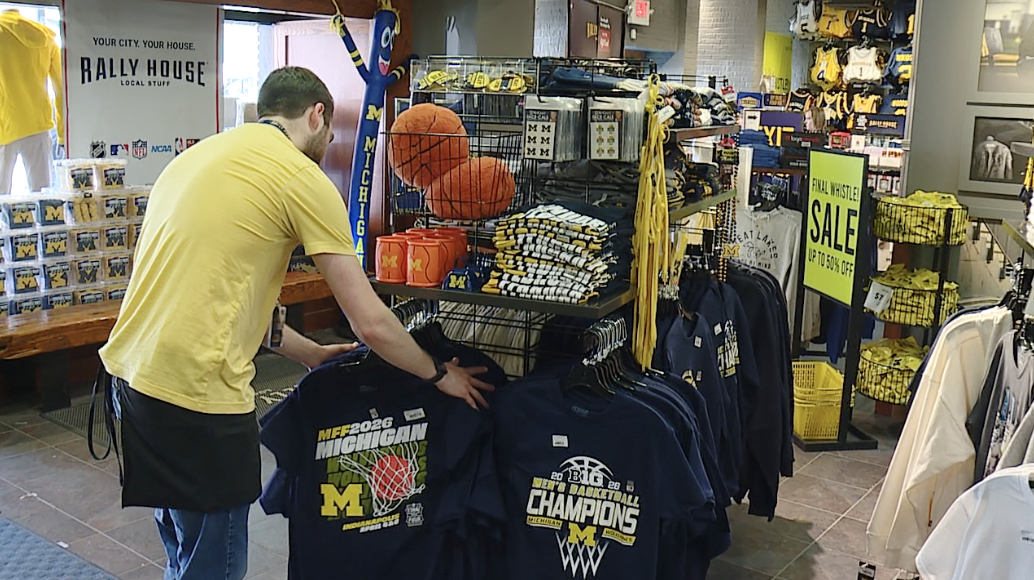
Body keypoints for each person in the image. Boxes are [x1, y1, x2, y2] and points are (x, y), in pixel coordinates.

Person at [97, 67, 494, 580]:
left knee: (184, 554)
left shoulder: (199, 156)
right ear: (316, 114)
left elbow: (218, 287)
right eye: (330, 132)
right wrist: (439, 373)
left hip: (132, 382)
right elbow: (370, 322)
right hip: (196, 399)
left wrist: (309, 352)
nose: (330, 144)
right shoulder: (300, 176)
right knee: (215, 566)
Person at [0, 9, 63, 194]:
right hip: (37, 126)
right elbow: (61, 89)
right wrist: (62, 134)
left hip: (3, 126)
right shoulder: (45, 38)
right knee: (43, 196)